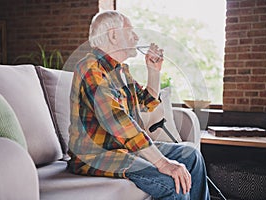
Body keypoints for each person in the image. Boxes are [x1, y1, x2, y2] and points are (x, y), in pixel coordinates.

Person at [67, 10, 210, 200]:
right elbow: (118, 122)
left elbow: (147, 102)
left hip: (124, 151)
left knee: (191, 155)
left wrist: (154, 71)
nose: (136, 37)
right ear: (113, 35)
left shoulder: (121, 71)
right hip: (97, 156)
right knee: (171, 184)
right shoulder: (91, 69)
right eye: (130, 32)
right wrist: (162, 162)